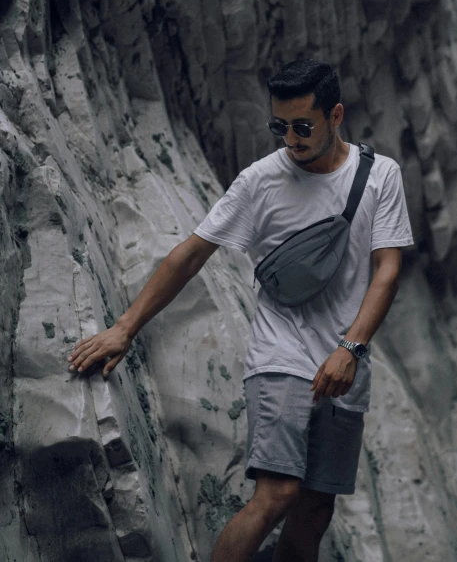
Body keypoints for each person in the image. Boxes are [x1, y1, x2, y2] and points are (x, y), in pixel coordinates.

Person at [68, 59, 414, 562]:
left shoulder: (381, 176)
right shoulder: (262, 180)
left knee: (315, 512)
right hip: (281, 357)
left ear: (335, 115)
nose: (289, 139)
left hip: (345, 367)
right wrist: (124, 328)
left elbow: (387, 270)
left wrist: (351, 348)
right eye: (279, 126)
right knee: (277, 496)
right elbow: (189, 254)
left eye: (302, 126)